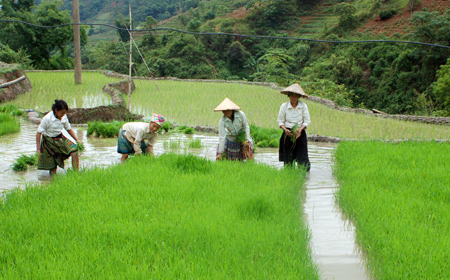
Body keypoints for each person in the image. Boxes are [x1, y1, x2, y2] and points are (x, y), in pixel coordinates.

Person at [36, 99, 81, 174]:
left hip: (60, 138)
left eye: (65, 113)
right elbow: (38, 133)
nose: (63, 115)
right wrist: (38, 149)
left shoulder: (64, 117)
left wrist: (77, 140)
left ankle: (76, 174)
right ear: (56, 110)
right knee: (53, 166)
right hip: (49, 142)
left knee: (74, 151)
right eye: (62, 113)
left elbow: (68, 129)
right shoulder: (47, 119)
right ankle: (52, 182)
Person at [277, 83, 311, 171]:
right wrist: (285, 130)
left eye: (296, 96)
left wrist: (300, 130)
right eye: (291, 95)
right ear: (288, 96)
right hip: (288, 133)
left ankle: (304, 175)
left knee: (302, 157)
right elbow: (280, 121)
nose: (293, 98)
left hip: (300, 132)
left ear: (299, 97)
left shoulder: (303, 106)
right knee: (288, 159)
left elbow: (307, 121)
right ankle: (289, 174)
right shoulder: (284, 106)